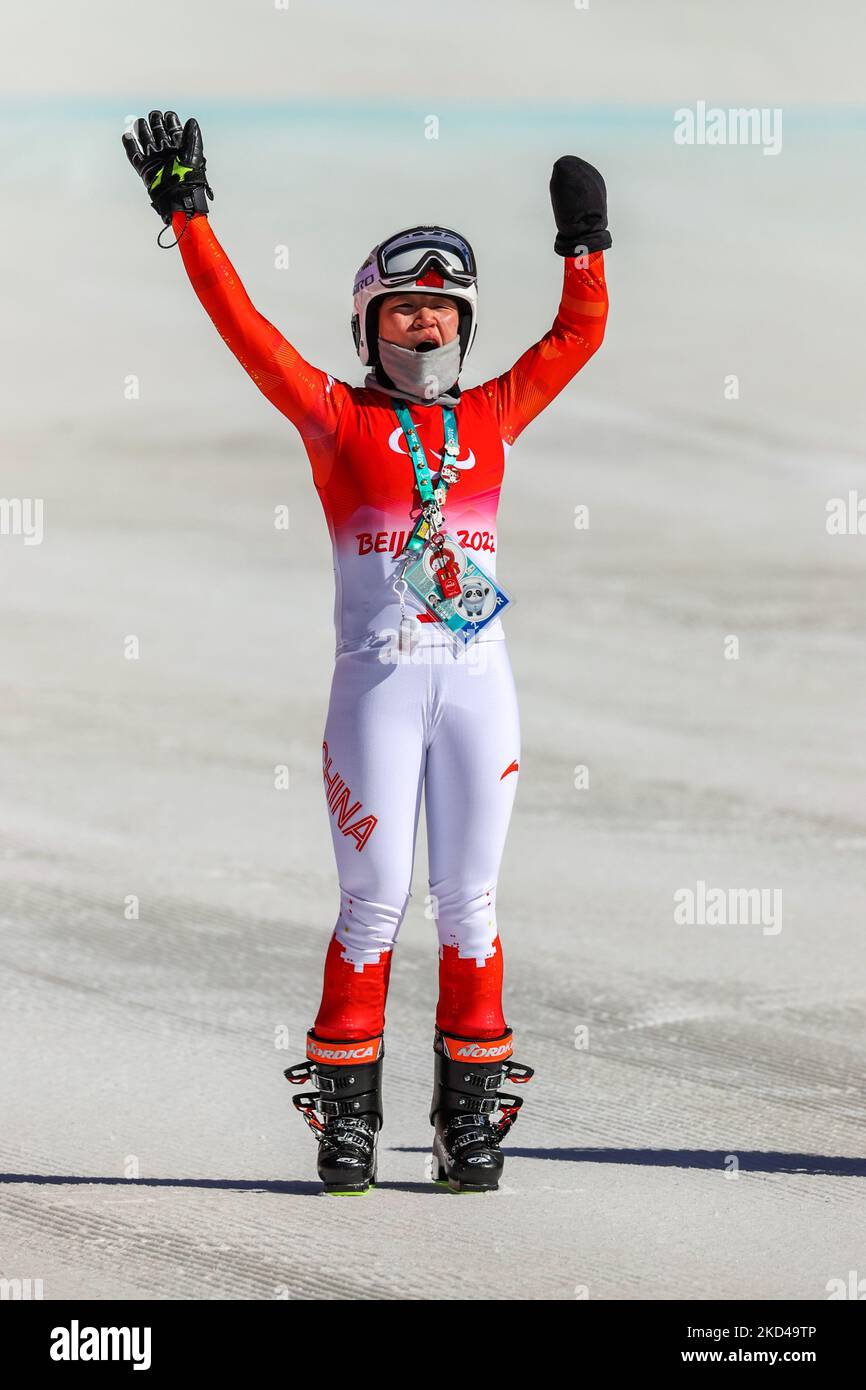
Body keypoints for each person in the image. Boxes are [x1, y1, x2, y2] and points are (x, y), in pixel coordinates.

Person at [122, 111, 611, 1193]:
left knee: (471, 903)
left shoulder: (493, 414)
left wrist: (583, 245)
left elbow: (576, 338)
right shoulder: (334, 419)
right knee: (374, 900)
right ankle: (345, 1125)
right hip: (377, 697)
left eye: (441, 311)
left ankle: (467, 1124)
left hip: (481, 691)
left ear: (463, 326)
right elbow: (241, 324)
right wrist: (188, 216)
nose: (424, 327)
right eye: (404, 310)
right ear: (367, 324)